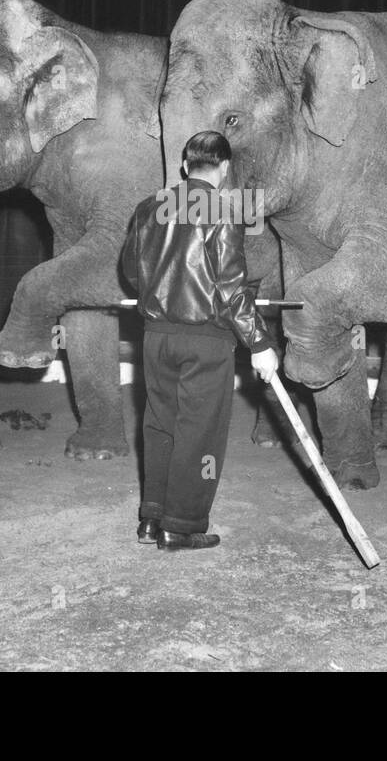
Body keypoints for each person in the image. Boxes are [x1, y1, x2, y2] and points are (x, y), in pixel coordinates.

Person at [121, 131, 279, 551]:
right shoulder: (224, 210)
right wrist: (260, 343)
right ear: (224, 169)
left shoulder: (148, 208)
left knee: (159, 425)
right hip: (206, 340)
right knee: (198, 432)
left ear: (184, 166)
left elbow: (132, 274)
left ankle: (151, 519)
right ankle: (182, 525)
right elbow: (231, 286)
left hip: (155, 337)